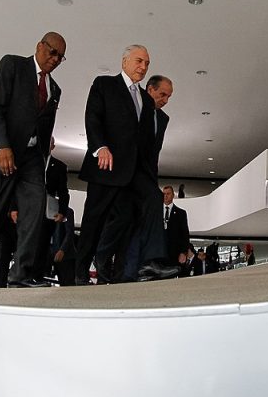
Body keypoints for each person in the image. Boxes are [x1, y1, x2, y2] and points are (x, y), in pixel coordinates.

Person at [0, 32, 66, 288]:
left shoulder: (55, 89)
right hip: (2, 152)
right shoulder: (13, 65)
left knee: (34, 209)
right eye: (52, 52)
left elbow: (46, 125)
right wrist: (2, 146)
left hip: (31, 158)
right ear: (40, 46)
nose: (55, 59)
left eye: (60, 57)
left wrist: (43, 156)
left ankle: (21, 275)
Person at [76, 45, 178, 284]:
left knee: (151, 200)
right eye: (139, 61)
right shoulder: (104, 85)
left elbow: (144, 142)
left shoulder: (145, 98)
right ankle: (79, 273)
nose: (143, 67)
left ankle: (147, 264)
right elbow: (93, 117)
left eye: (147, 64)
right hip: (106, 167)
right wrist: (100, 146)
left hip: (133, 173)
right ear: (124, 62)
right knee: (94, 222)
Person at [120, 75, 175, 281]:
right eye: (162, 94)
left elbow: (154, 154)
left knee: (140, 221)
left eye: (169, 97)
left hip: (145, 175)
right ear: (149, 90)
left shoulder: (163, 119)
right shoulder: (135, 105)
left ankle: (135, 270)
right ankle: (148, 262)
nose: (165, 100)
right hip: (124, 172)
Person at [34, 137, 69, 281]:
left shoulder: (59, 166)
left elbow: (63, 192)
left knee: (42, 244)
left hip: (47, 210)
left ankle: (37, 276)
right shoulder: (32, 162)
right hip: (31, 207)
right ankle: (23, 273)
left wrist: (62, 211)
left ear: (53, 146)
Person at [161, 185, 190, 265]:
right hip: (158, 252)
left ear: (173, 195)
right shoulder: (155, 211)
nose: (165, 196)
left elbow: (185, 234)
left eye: (168, 194)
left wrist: (183, 252)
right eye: (164, 194)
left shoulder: (181, 213)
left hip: (174, 253)